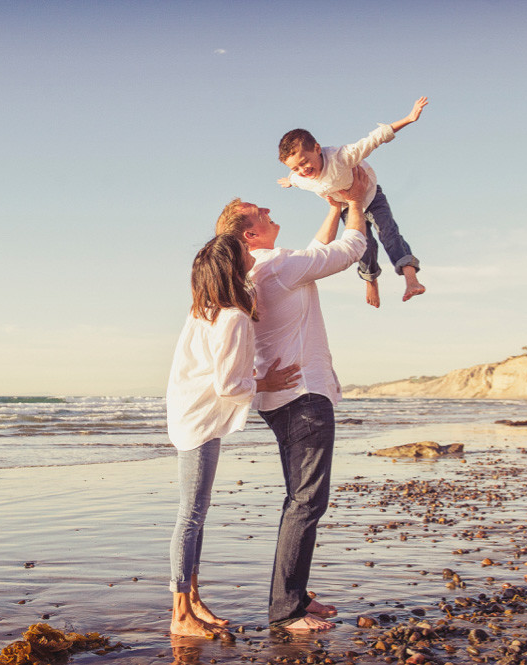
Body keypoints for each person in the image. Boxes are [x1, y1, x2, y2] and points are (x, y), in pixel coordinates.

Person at [214, 167, 371, 632]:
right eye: (259, 212)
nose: (268, 210)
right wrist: (357, 204)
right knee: (306, 502)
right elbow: (348, 251)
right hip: (303, 396)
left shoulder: (267, 267)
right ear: (251, 233)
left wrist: (332, 210)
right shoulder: (278, 266)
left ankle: (295, 597)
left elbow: (313, 255)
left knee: (300, 499)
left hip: (285, 397)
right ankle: (286, 611)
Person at [166, 233, 302, 638]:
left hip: (190, 412)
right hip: (200, 420)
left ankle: (192, 600)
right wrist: (266, 379)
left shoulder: (203, 310)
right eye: (244, 250)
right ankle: (179, 613)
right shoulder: (232, 318)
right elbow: (229, 385)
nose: (250, 251)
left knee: (196, 512)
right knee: (191, 513)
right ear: (233, 267)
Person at [277, 96, 428, 308]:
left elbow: (374, 139)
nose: (303, 170)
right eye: (296, 168)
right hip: (348, 207)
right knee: (363, 247)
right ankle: (370, 280)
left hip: (371, 196)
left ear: (317, 148)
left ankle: (411, 280)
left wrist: (409, 118)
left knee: (389, 233)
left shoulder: (342, 157)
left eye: (305, 162)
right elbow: (296, 177)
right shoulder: (300, 178)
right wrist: (290, 181)